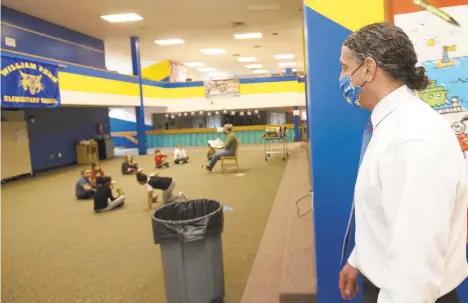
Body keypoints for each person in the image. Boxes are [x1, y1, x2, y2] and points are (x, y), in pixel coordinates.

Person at [338, 23, 467, 303]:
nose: (343, 77)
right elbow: (387, 213)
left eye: (346, 68)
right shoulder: (391, 125)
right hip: (385, 282)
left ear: (368, 69)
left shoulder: (413, 141)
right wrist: (359, 259)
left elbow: (415, 269)